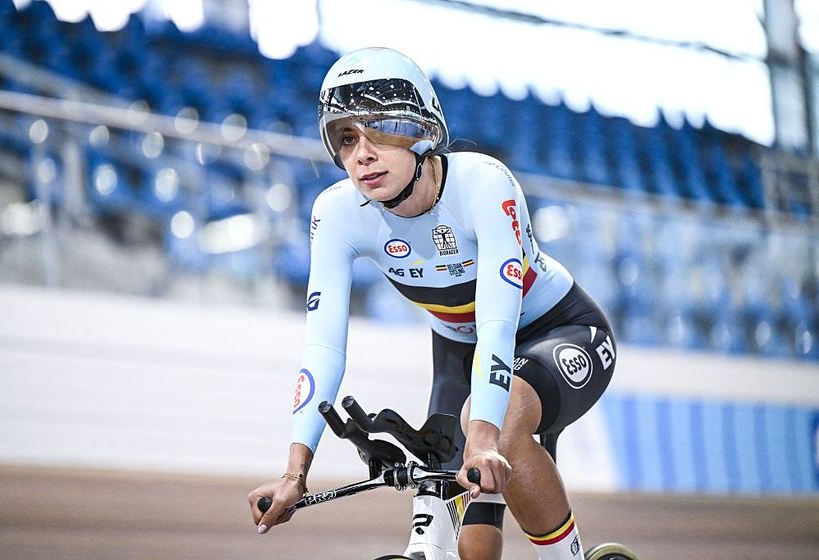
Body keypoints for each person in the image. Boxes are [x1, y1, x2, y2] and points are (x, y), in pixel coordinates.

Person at [248, 47, 617, 560]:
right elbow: (323, 349)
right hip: (459, 356)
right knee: (472, 547)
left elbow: (496, 321)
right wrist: (294, 472)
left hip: (558, 331)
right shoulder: (336, 213)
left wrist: (485, 437)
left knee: (493, 426)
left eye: (379, 130)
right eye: (347, 138)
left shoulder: (484, 184)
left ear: (422, 129)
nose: (362, 153)